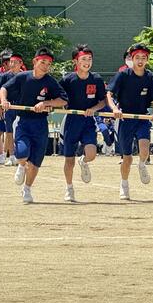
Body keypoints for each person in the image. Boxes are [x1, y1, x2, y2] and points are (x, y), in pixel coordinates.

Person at [0, 47, 68, 204]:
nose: (45, 66)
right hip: (23, 121)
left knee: (36, 162)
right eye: (42, 62)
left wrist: (46, 103)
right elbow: (4, 88)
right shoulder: (23, 77)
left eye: (48, 63)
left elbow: (63, 100)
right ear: (35, 61)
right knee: (22, 153)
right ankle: (21, 165)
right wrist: (4, 101)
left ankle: (27, 189)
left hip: (41, 124)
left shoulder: (50, 82)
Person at [106, 43, 153, 201]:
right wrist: (114, 108)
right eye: (137, 58)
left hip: (142, 118)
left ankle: (142, 164)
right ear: (132, 58)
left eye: (144, 58)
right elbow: (109, 94)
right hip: (125, 119)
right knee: (127, 158)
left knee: (144, 149)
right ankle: (124, 184)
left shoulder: (151, 77)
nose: (140, 61)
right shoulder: (123, 75)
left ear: (147, 59)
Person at [58, 44, 107, 202]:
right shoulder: (67, 80)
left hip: (87, 121)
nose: (87, 62)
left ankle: (84, 161)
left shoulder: (96, 79)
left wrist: (93, 109)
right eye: (83, 59)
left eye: (89, 59)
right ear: (76, 61)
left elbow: (103, 101)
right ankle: (69, 188)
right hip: (71, 121)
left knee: (91, 154)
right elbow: (57, 96)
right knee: (69, 159)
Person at [0, 53, 25, 166]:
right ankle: (11, 156)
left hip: (21, 107)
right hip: (8, 106)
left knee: (21, 131)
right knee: (9, 132)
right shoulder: (4, 76)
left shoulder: (25, 76)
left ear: (21, 63)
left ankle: (20, 155)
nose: (12, 64)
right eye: (11, 62)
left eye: (15, 62)